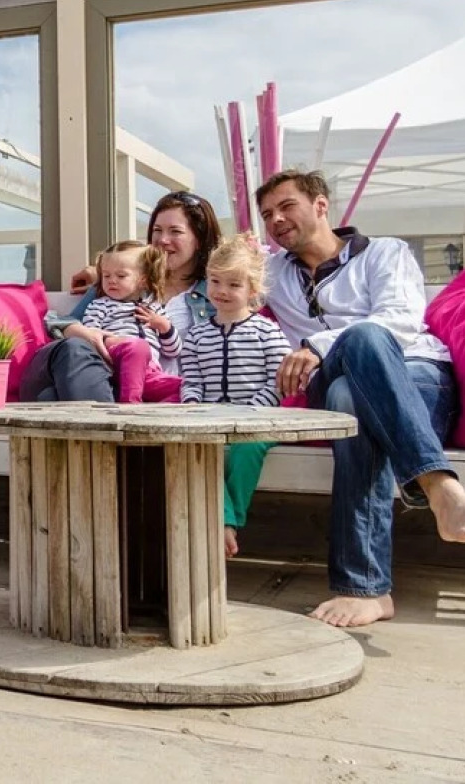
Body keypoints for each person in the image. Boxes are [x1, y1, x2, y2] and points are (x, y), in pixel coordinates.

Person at [256, 169, 465, 628]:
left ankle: (366, 591)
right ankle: (442, 491)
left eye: (286, 206)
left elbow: (399, 319)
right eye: (267, 214)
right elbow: (199, 269)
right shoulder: (272, 272)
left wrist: (316, 345)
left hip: (415, 373)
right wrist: (103, 277)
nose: (275, 219)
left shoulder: (384, 252)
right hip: (334, 375)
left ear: (321, 206)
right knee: (351, 361)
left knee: (355, 379)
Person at [28, 191, 221, 402]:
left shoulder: (215, 294)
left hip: (169, 391)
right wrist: (79, 330)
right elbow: (58, 323)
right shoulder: (117, 285)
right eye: (157, 230)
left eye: (175, 231)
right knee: (52, 391)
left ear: (200, 240)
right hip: (111, 381)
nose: (163, 240)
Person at [178, 235, 291, 558]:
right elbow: (193, 378)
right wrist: (192, 405)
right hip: (210, 422)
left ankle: (229, 518)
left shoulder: (267, 331)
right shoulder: (198, 334)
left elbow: (280, 381)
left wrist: (251, 413)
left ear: (252, 291)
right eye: (215, 281)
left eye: (233, 284)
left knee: (247, 447)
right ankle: (224, 521)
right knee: (196, 449)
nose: (222, 291)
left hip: (257, 421)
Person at [78, 241, 182, 403]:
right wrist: (109, 341)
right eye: (106, 276)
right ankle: (130, 405)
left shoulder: (155, 309)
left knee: (185, 388)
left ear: (142, 280)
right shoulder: (100, 305)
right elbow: (90, 338)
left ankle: (156, 417)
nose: (112, 281)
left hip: (149, 372)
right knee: (138, 347)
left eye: (121, 276)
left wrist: (164, 327)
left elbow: (173, 351)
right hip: (117, 366)